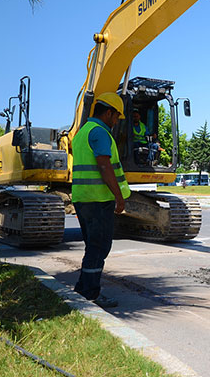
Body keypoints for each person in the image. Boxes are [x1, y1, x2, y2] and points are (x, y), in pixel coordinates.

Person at [71, 92, 131, 308]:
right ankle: (90, 293)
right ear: (108, 113)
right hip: (98, 200)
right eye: (116, 117)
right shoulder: (100, 133)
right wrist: (119, 197)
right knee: (99, 248)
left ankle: (82, 288)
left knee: (93, 247)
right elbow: (105, 166)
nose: (116, 122)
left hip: (83, 199)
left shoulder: (82, 132)